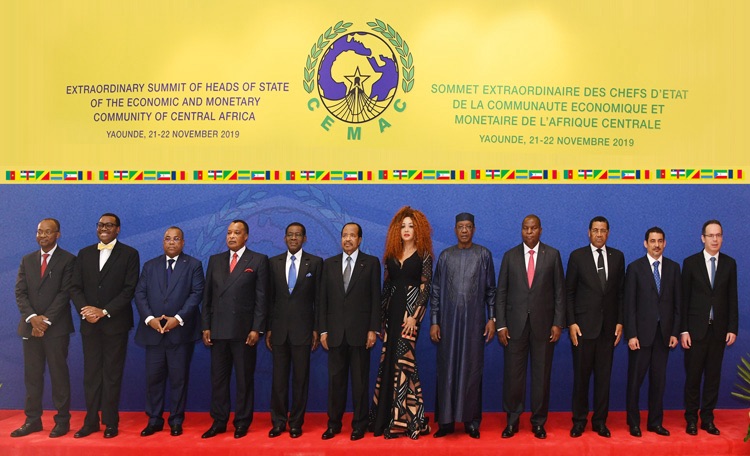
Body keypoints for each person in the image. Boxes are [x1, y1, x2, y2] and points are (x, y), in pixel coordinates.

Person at [70, 213, 140, 439]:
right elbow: (75, 287)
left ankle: (110, 422)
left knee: (112, 375)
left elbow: (129, 289)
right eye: (100, 225)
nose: (104, 228)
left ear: (118, 229)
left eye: (109, 225)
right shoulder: (84, 253)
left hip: (115, 325)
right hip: (89, 325)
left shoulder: (130, 254)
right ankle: (90, 422)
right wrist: (86, 311)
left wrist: (104, 311)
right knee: (91, 375)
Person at [496, 214, 565, 440]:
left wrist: (558, 323)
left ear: (540, 230)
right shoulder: (510, 256)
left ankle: (538, 422)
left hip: (544, 326)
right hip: (514, 327)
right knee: (513, 376)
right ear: (521, 230)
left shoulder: (552, 255)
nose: (529, 232)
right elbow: (501, 293)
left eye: (533, 228)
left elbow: (559, 293)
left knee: (541, 377)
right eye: (525, 228)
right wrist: (501, 325)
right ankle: (512, 421)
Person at [430, 212, 496, 439]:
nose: (465, 230)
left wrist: (492, 318)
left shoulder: (484, 255)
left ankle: (471, 422)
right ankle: (446, 422)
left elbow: (491, 290)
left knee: (472, 371)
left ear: (474, 229)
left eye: (468, 226)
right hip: (447, 325)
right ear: (455, 230)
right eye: (461, 227)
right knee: (446, 370)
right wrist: (435, 322)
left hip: (474, 325)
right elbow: (436, 291)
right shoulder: (445, 256)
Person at [134, 226, 205, 437]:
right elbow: (140, 294)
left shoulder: (193, 265)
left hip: (180, 333)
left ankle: (176, 420)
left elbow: (196, 293)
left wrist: (178, 319)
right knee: (153, 379)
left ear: (183, 242)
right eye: (167, 239)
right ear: (163, 242)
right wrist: (150, 319)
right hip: (153, 332)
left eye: (176, 239)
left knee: (178, 379)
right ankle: (154, 420)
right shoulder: (150, 265)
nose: (171, 242)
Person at [201, 219, 268, 439]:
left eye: (237, 232)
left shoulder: (258, 260)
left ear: (246, 236)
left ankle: (242, 421)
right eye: (229, 232)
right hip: (218, 330)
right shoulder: (215, 260)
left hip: (244, 332)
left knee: (243, 379)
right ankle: (219, 421)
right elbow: (207, 297)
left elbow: (261, 298)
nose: (231, 236)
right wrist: (206, 326)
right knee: (218, 380)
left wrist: (257, 329)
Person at [370, 207, 433, 439]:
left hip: (409, 317)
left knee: (405, 363)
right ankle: (387, 417)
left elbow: (425, 288)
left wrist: (414, 316)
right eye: (403, 226)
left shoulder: (424, 255)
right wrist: (380, 320)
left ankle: (405, 421)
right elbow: (386, 288)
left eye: (411, 226)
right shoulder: (391, 255)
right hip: (392, 314)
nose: (407, 230)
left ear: (419, 230)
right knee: (389, 362)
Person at [11, 218, 75, 438]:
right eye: (39, 231)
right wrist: (33, 319)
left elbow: (65, 294)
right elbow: (20, 292)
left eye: (48, 232)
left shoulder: (68, 260)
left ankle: (62, 421)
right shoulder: (27, 259)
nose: (43, 236)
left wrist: (45, 321)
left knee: (59, 375)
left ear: (58, 234)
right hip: (30, 327)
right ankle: (32, 420)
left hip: (56, 328)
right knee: (32, 376)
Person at [318, 222, 381, 441]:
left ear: (360, 239)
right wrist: (323, 330)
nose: (347, 239)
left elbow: (376, 298)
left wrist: (373, 329)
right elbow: (323, 300)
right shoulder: (329, 264)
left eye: (352, 235)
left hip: (360, 333)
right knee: (336, 382)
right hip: (335, 333)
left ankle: (359, 425)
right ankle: (333, 424)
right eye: (344, 235)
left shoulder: (370, 263)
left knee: (360, 382)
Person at [566, 216, 625, 438]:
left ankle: (600, 421)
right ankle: (579, 421)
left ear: (608, 233)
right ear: (589, 233)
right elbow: (569, 293)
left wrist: (620, 321)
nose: (599, 234)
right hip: (582, 329)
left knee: (603, 379)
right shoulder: (577, 256)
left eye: (603, 230)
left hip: (608, 330)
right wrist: (571, 322)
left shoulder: (617, 257)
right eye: (595, 230)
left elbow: (621, 293)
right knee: (581, 379)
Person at [681, 220, 738, 436]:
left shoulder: (729, 264)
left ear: (722, 238)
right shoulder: (690, 263)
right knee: (693, 378)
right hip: (695, 332)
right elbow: (684, 299)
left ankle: (707, 419)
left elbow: (732, 298)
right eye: (711, 235)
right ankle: (691, 419)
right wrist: (684, 330)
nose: (715, 239)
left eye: (718, 235)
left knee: (713, 378)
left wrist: (732, 328)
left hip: (719, 332)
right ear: (702, 238)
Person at [266, 222, 322, 439]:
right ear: (284, 238)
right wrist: (269, 328)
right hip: (279, 331)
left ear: (304, 239)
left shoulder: (315, 263)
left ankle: (296, 422)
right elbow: (270, 299)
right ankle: (278, 422)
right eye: (290, 235)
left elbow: (319, 300)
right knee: (278, 381)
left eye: (298, 235)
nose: (293, 238)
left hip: (304, 331)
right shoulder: (273, 263)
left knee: (300, 380)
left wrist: (316, 328)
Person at [624, 226, 681, 437]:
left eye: (660, 241)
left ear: (665, 243)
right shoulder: (635, 268)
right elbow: (629, 305)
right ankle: (634, 423)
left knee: (659, 382)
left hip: (664, 336)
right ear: (645, 243)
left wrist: (674, 332)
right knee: (635, 382)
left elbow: (678, 304)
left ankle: (655, 422)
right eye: (652, 241)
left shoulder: (674, 268)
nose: (656, 245)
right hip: (640, 336)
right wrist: (631, 334)